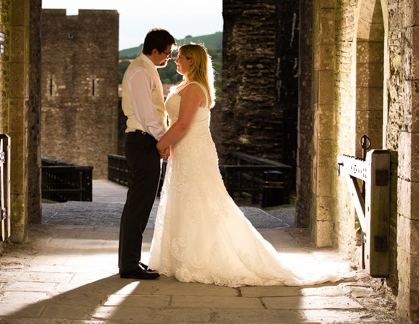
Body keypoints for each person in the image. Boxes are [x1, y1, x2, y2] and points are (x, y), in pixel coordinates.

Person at [148, 43, 348, 287]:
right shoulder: (184, 86)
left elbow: (182, 125)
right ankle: (181, 256)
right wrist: (170, 144)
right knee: (187, 200)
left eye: (180, 57)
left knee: (203, 201)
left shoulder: (193, 89)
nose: (176, 61)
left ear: (192, 61)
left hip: (195, 152)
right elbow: (176, 123)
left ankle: (206, 258)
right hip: (184, 150)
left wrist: (161, 145)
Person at [118, 28, 176, 280]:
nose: (168, 58)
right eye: (167, 53)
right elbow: (146, 113)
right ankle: (128, 264)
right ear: (154, 51)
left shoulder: (145, 69)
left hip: (144, 141)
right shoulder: (140, 72)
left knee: (140, 205)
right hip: (142, 141)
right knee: (138, 205)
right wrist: (163, 140)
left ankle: (131, 260)